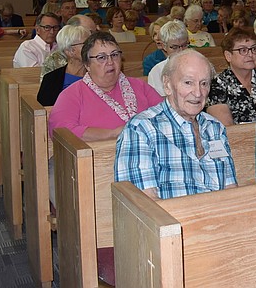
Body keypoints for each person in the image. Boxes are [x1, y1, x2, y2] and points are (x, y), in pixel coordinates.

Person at [114, 50, 237, 200]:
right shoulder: (142, 129)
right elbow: (144, 205)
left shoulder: (215, 128)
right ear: (167, 85)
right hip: (175, 220)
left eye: (204, 83)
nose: (198, 93)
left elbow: (231, 190)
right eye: (188, 82)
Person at [48, 32, 162, 140]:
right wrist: (112, 134)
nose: (110, 62)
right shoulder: (72, 94)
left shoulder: (140, 86)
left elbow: (165, 116)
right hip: (97, 157)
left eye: (114, 55)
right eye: (101, 57)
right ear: (87, 64)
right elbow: (60, 131)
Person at [207, 28, 256, 126]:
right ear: (228, 55)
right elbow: (227, 129)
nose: (250, 54)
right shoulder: (217, 85)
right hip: (241, 139)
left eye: (254, 49)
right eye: (243, 50)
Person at [37, 25, 90, 106]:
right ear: (70, 51)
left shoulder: (99, 74)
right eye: (86, 44)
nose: (92, 47)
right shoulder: (51, 79)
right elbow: (44, 110)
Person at [147, 20, 190, 96]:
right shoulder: (156, 72)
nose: (180, 51)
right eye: (174, 47)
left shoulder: (198, 65)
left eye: (184, 45)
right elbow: (158, 103)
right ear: (164, 46)